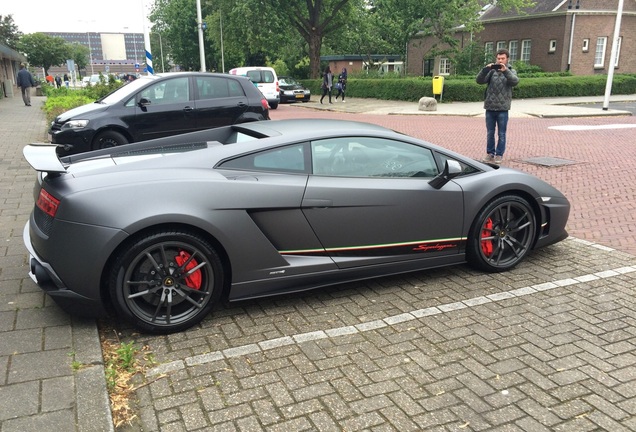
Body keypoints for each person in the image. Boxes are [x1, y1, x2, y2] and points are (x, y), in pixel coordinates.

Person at [476, 48, 519, 164]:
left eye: (502, 59)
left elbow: (515, 81)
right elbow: (479, 80)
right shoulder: (491, 71)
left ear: (507, 59)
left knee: (501, 133)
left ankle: (499, 154)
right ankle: (490, 153)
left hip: (503, 109)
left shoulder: (511, 70)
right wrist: (485, 70)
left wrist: (505, 71)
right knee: (490, 133)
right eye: (498, 58)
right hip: (490, 107)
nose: (500, 61)